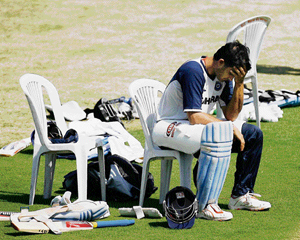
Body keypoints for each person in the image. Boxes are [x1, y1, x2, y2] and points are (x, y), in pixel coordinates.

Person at [152, 40, 271, 221]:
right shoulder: (193, 70)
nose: (230, 78)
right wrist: (227, 127)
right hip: (169, 125)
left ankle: (240, 195)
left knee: (252, 134)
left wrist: (239, 84)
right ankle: (205, 204)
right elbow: (194, 116)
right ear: (220, 62)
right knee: (218, 134)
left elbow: (231, 115)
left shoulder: (224, 75)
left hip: (196, 128)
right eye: (232, 74)